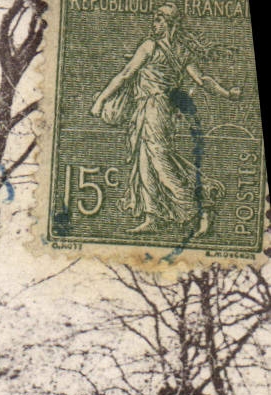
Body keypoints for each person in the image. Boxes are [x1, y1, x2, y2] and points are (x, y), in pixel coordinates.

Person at [89, 2, 241, 235]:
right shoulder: (178, 51)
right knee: (145, 161)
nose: (154, 24)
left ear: (170, 24)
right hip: (150, 109)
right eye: (155, 19)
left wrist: (100, 100)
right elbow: (202, 80)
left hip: (156, 108)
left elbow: (127, 74)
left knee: (160, 160)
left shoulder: (152, 47)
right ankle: (153, 216)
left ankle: (201, 207)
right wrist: (227, 93)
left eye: (159, 20)